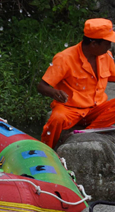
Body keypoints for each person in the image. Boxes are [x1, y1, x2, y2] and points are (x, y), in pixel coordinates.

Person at [37, 18, 115, 148]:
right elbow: (41, 86)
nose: (109, 46)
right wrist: (54, 92)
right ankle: (45, 150)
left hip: (96, 109)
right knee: (56, 118)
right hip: (70, 109)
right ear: (94, 44)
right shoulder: (65, 58)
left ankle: (85, 133)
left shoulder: (106, 56)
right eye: (107, 43)